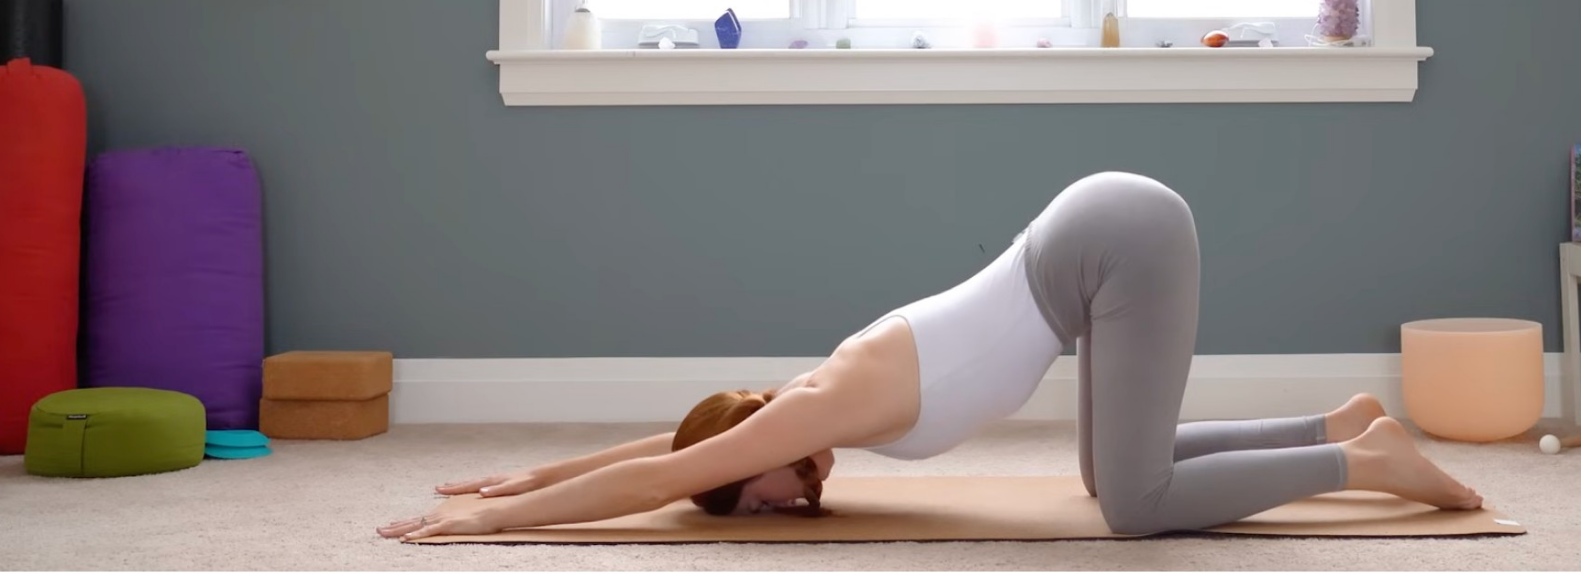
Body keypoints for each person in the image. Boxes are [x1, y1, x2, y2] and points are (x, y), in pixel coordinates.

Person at [379, 172, 1482, 541]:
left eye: (747, 505)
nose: (774, 511)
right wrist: (524, 474)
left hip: (1115, 242)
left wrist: (483, 525)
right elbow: (675, 451)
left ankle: (1368, 468)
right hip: (1094, 248)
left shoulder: (814, 408)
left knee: (1135, 510)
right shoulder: (797, 407)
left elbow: (666, 475)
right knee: (1114, 475)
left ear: (744, 459)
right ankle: (1335, 428)